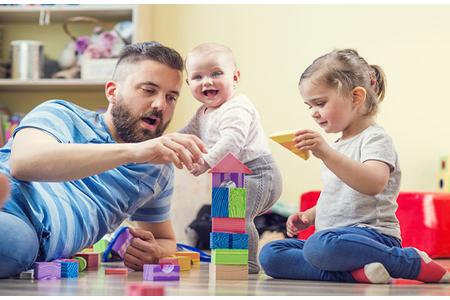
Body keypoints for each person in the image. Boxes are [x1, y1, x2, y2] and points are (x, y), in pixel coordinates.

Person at [0, 42, 207, 278]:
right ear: (112, 91)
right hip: (11, 196)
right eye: (148, 90)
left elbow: (166, 239)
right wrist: (133, 151)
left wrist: (155, 251)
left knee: (17, 246)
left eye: (171, 97)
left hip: (30, 235)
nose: (160, 105)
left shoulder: (156, 168)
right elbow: (24, 162)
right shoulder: (61, 113)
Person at [259, 49, 450, 283]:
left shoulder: (375, 138)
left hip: (373, 238)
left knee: (319, 247)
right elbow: (340, 196)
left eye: (319, 103)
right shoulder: (337, 145)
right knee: (271, 254)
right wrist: (309, 216)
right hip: (336, 239)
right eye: (309, 106)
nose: (313, 113)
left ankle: (408, 262)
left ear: (356, 97)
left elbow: (373, 184)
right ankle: (358, 274)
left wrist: (326, 153)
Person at [180, 43, 283, 274]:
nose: (207, 81)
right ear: (189, 84)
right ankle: (228, 260)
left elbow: (232, 141)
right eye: (198, 77)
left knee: (236, 215)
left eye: (216, 73)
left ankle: (247, 263)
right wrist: (164, 144)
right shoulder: (202, 113)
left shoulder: (237, 107)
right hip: (231, 175)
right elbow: (185, 134)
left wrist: (206, 161)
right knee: (222, 217)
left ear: (234, 77)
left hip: (259, 173)